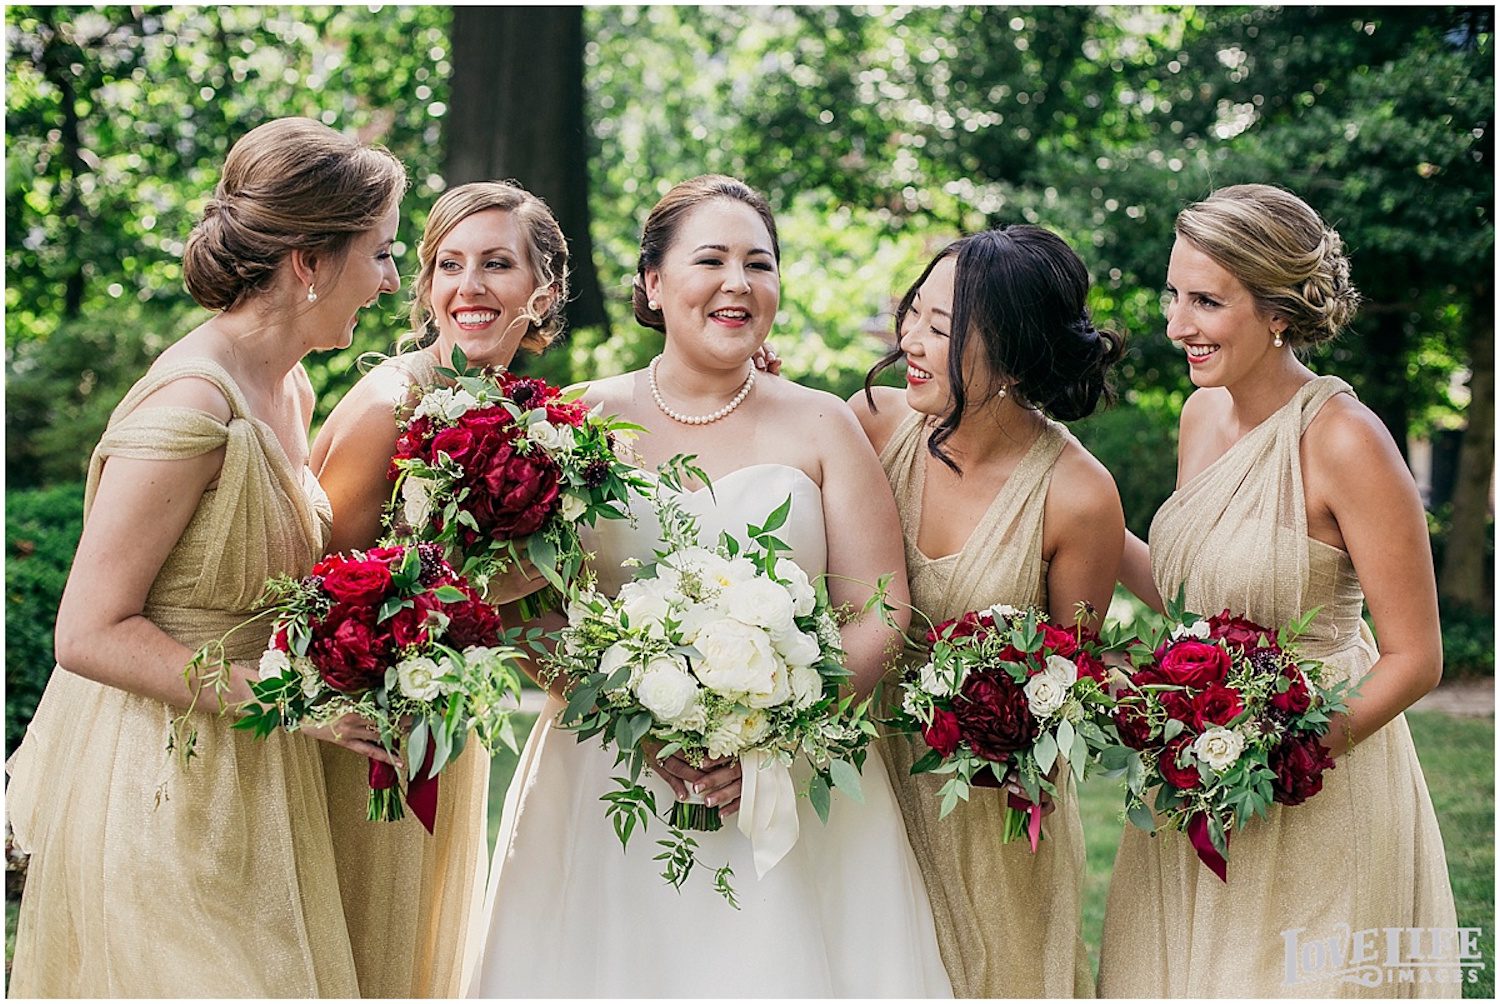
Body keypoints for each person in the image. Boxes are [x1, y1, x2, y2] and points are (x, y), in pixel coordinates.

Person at [468, 175, 953, 997]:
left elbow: (883, 610)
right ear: (654, 283)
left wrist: (778, 731)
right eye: (713, 260)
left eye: (759, 264)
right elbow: (524, 609)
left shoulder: (823, 423)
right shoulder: (574, 422)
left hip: (791, 783)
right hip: (606, 777)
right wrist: (630, 724)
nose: (739, 283)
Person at [5, 117, 405, 996]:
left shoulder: (292, 385)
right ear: (309, 261)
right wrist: (287, 699)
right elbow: (87, 632)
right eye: (380, 254)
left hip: (262, 779)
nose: (388, 281)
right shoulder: (191, 407)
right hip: (164, 781)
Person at [1099, 184, 1459, 997]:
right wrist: (1073, 503)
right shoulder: (1203, 415)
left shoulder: (1347, 440)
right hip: (1195, 777)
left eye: (1205, 301)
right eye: (1172, 294)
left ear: (1278, 312)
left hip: (1318, 781)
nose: (1174, 324)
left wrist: (1281, 752)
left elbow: (1416, 656)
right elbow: (1191, 595)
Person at [847, 226, 1125, 997]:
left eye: (940, 327)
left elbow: (1064, 692)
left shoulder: (1077, 494)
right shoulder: (871, 423)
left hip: (990, 822)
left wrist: (1000, 709)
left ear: (1012, 350)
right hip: (863, 793)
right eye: (914, 314)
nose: (911, 339)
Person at [309, 179, 568, 997]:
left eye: (497, 264)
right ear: (424, 289)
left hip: (440, 728)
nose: (470, 287)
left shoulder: (532, 420)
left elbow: (521, 613)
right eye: (448, 265)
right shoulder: (391, 403)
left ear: (543, 290)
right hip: (358, 734)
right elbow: (314, 592)